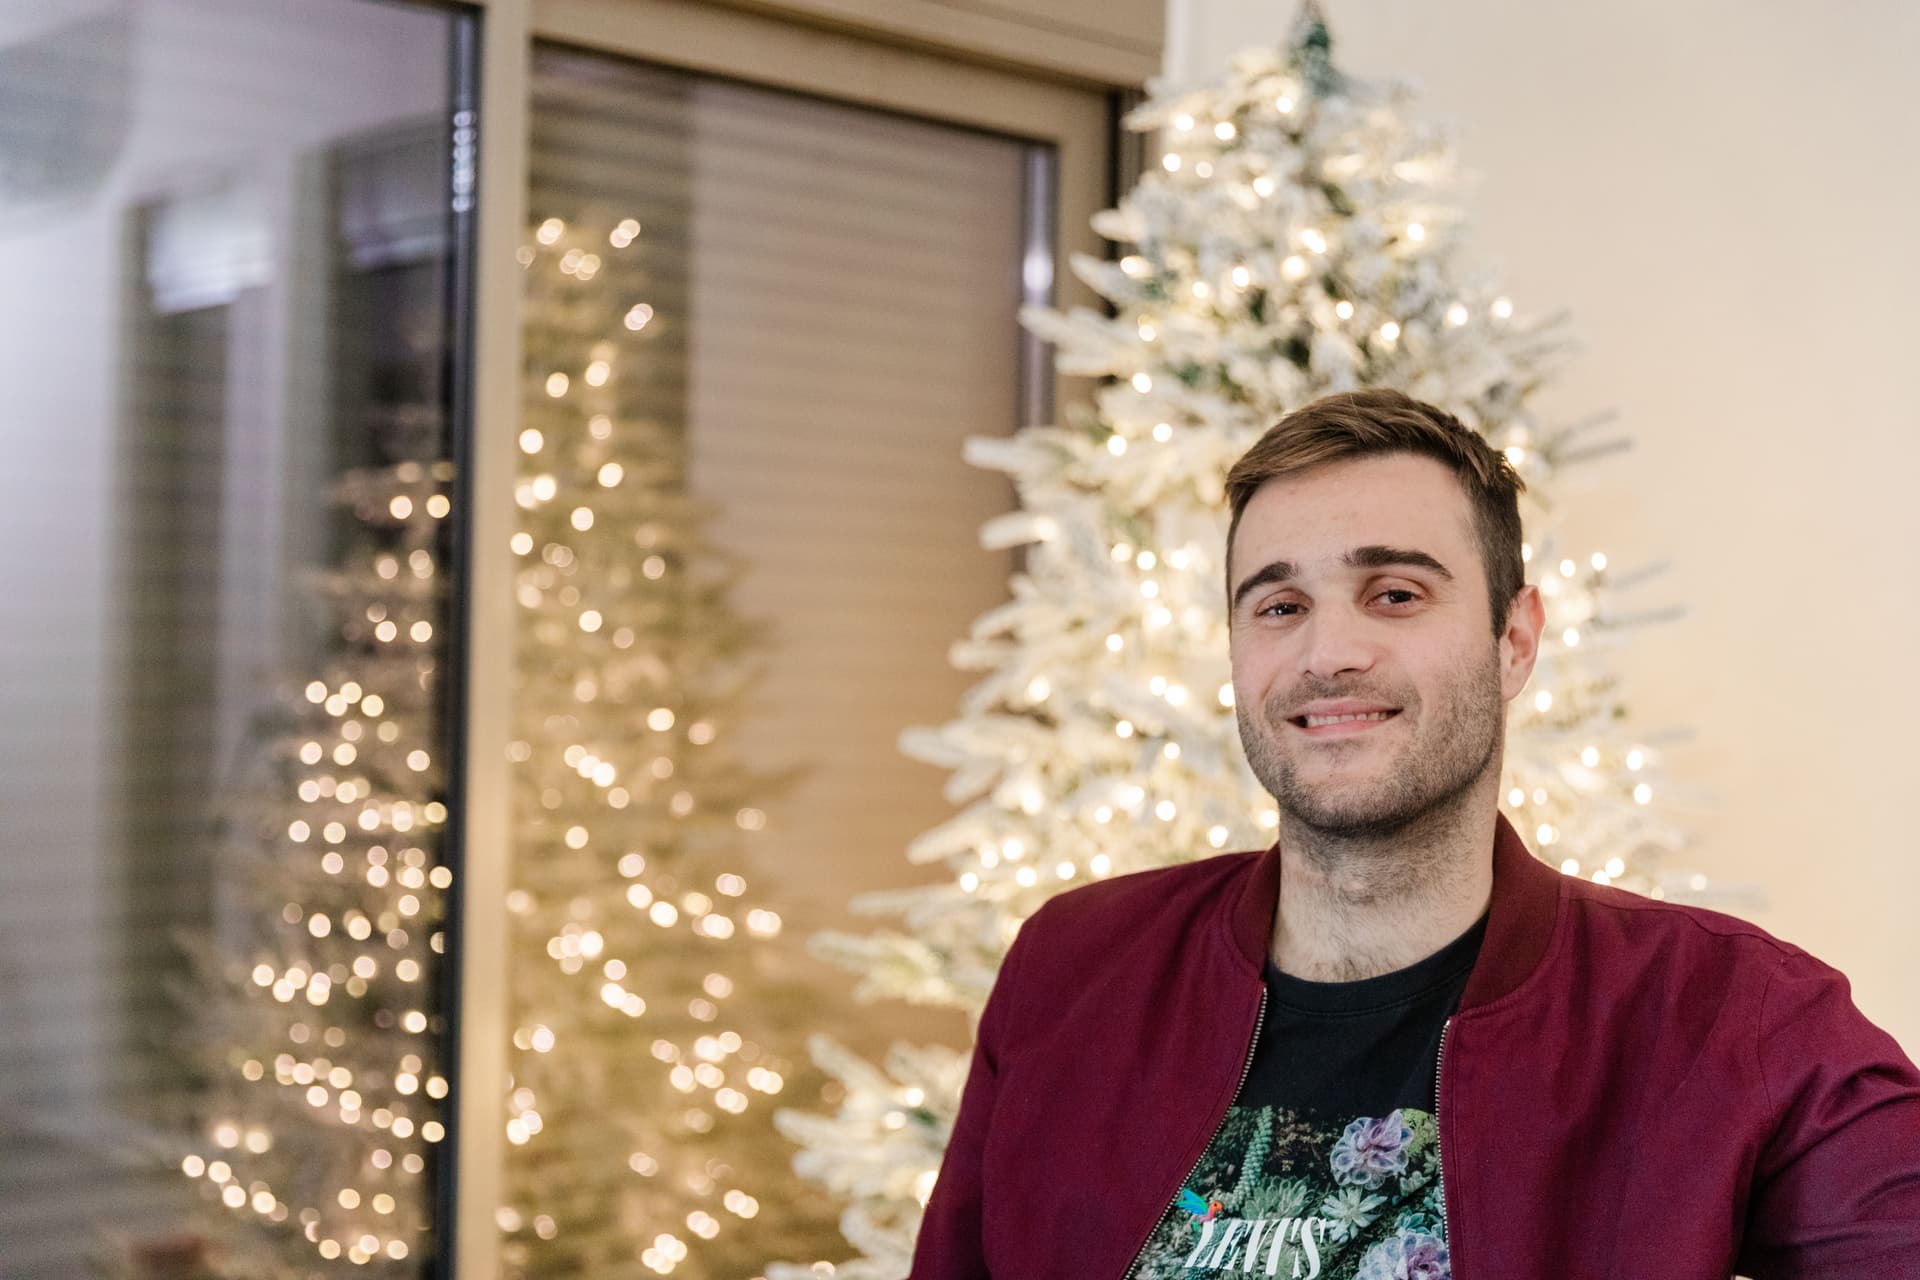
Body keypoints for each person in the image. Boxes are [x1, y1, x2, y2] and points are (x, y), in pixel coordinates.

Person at [908, 389, 1920, 1279]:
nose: (1328, 651)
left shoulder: (1727, 1014)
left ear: (1513, 639)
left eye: (1395, 592)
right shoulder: (1074, 964)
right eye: (1279, 603)